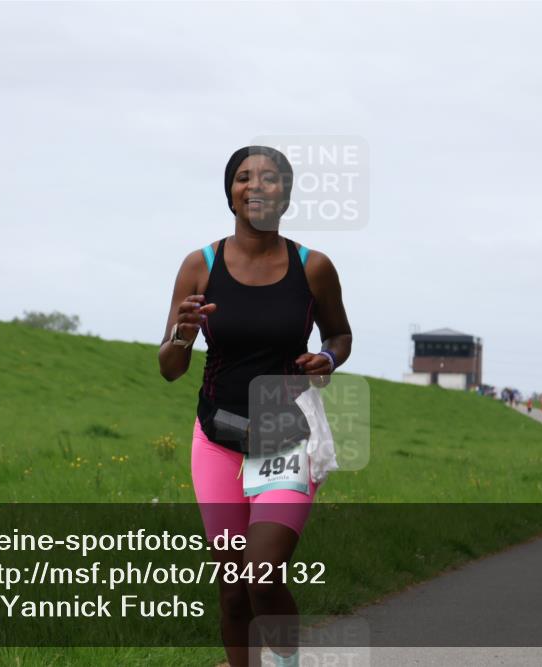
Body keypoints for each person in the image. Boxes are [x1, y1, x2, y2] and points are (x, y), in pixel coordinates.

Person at [158, 145, 352, 667]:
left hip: (286, 437)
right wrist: (182, 332)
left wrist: (328, 359)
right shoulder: (200, 265)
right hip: (217, 438)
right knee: (232, 589)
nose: (257, 185)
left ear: (285, 194)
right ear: (230, 193)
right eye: (244, 177)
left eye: (270, 178)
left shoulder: (314, 268)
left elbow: (339, 334)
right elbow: (171, 366)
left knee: (262, 575)